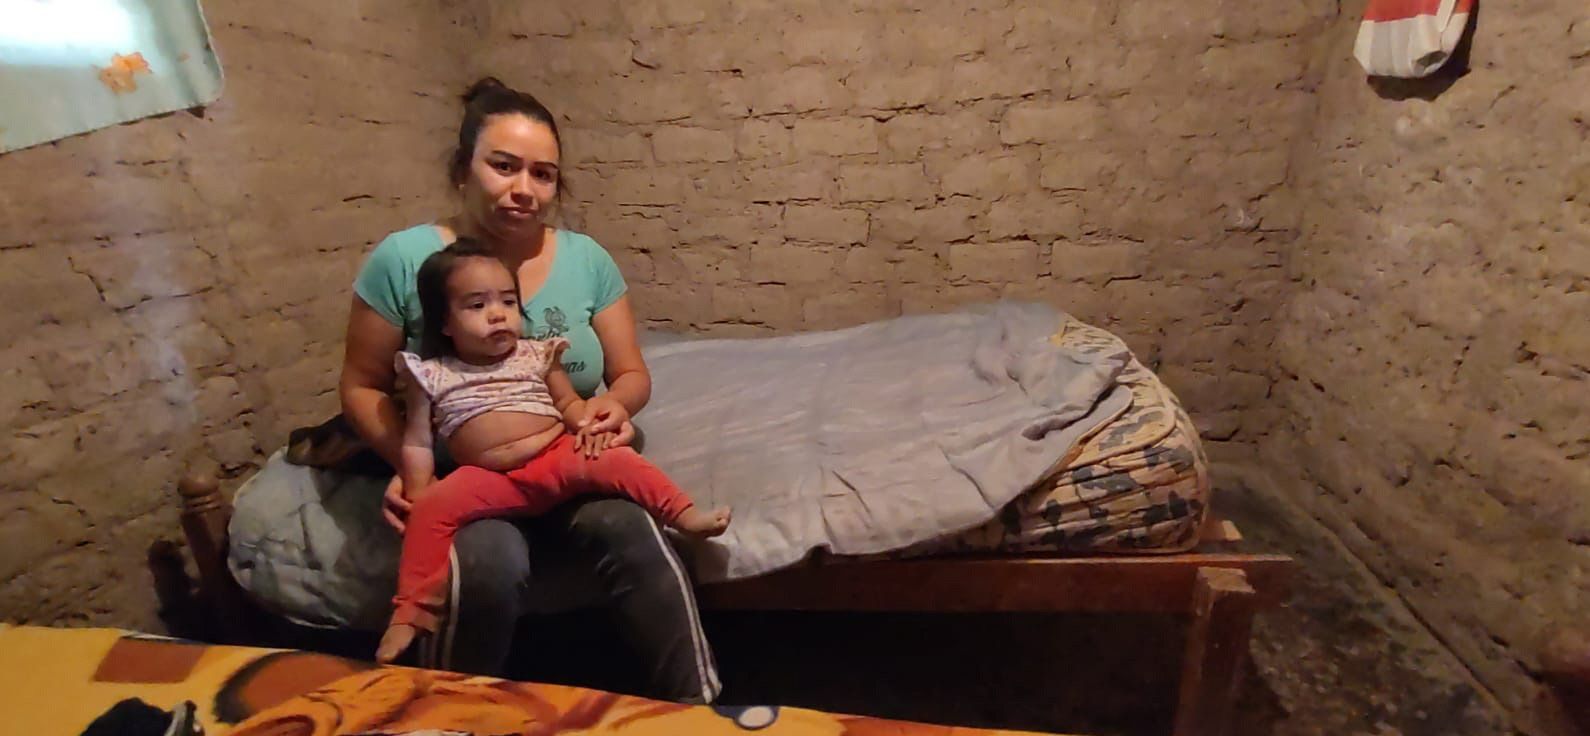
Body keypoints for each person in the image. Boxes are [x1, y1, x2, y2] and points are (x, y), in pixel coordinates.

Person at [339, 76, 722, 701]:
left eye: (543, 174)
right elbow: (360, 384)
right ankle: (452, 709)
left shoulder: (586, 260)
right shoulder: (404, 260)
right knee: (488, 562)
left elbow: (631, 375)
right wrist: (411, 467)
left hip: (564, 453)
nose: (524, 188)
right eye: (504, 166)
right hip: (468, 472)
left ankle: (697, 706)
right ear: (463, 169)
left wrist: (611, 407)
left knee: (634, 531)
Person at [376, 239, 730, 663]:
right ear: (445, 323)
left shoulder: (537, 354)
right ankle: (412, 610)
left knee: (619, 461)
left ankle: (682, 513)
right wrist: (418, 487)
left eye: (508, 302)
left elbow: (568, 405)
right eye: (477, 305)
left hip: (554, 456)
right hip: (489, 479)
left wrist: (594, 425)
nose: (497, 314)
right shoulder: (431, 374)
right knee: (430, 509)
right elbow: (417, 440)